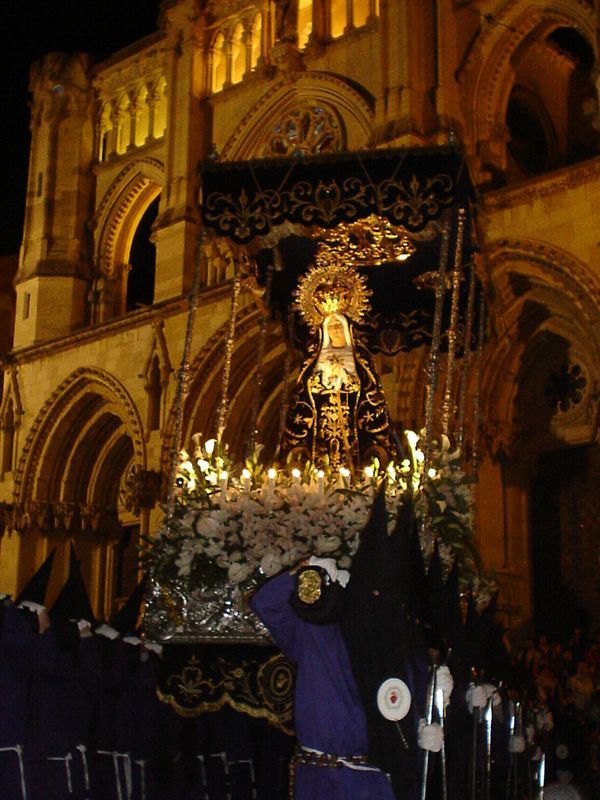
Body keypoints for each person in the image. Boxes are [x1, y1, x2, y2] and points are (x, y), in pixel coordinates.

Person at [250, 559, 397, 800]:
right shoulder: (311, 633)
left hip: (370, 780)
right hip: (319, 780)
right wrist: (301, 571)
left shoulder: (388, 643)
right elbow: (265, 604)